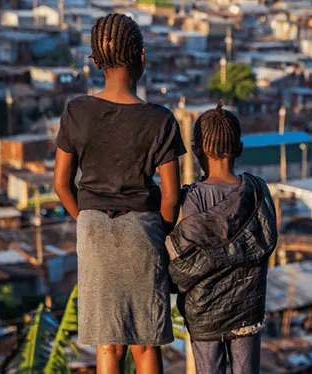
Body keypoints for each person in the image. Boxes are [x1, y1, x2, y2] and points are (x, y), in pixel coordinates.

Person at [53, 13, 184, 374]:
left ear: (95, 62)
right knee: (146, 342)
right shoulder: (160, 119)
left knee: (108, 344)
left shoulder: (76, 111)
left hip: (93, 232)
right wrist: (161, 233)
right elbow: (171, 197)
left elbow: (61, 183)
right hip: (143, 231)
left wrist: (87, 219)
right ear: (141, 57)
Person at [167, 102, 277, 374]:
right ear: (239, 148)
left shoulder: (193, 197)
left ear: (196, 150)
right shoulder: (256, 191)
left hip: (204, 311)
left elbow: (185, 256)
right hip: (247, 308)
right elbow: (265, 241)